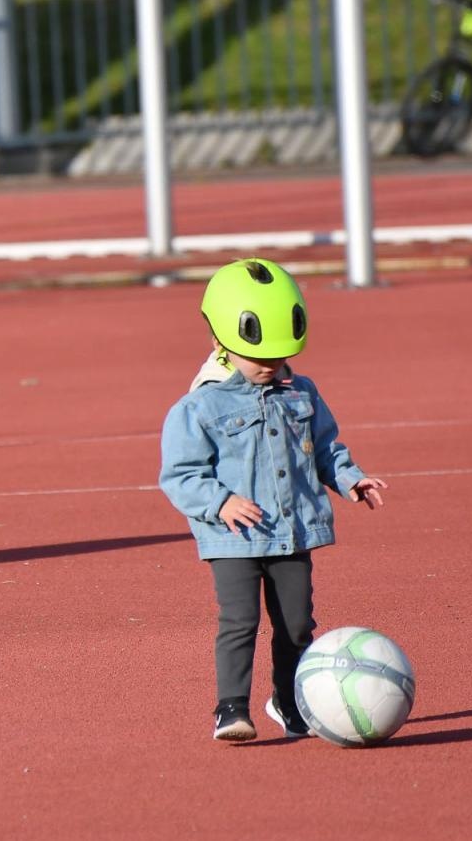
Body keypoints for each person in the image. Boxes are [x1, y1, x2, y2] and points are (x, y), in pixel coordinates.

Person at [159, 258, 387, 742]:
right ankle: (231, 708)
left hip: (293, 531)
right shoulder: (199, 406)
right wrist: (220, 503)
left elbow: (326, 446)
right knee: (239, 621)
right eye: (260, 357)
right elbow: (179, 474)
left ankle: (289, 701)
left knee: (297, 625)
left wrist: (348, 478)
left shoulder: (301, 391)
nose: (271, 366)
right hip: (233, 539)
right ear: (221, 340)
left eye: (281, 357)